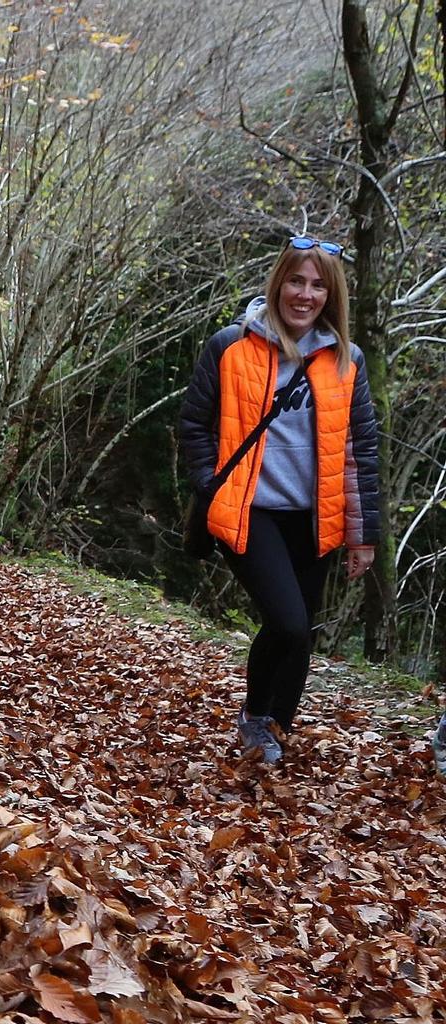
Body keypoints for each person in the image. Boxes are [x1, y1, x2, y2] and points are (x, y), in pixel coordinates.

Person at [177, 236, 382, 764]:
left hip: (316, 517)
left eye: (317, 285)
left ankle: (274, 724)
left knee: (298, 630)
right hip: (249, 509)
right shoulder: (230, 345)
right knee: (288, 621)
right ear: (278, 284)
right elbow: (194, 424)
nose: (304, 294)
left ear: (329, 295)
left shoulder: (346, 360)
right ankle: (256, 717)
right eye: (296, 280)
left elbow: (361, 451)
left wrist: (363, 536)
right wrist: (210, 483)